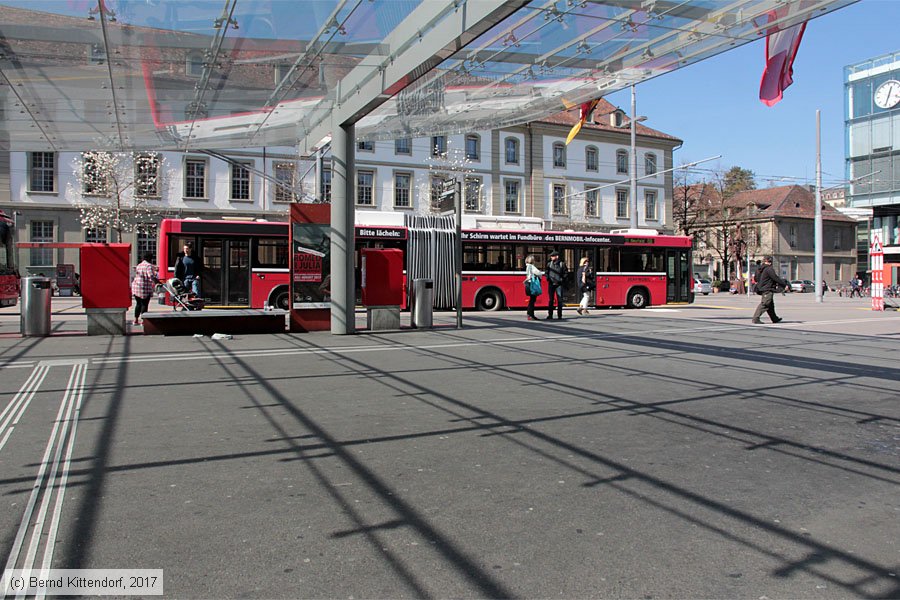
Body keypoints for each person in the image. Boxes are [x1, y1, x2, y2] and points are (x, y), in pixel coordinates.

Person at [752, 256, 789, 324]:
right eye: (771, 262)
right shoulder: (769, 269)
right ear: (769, 262)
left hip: (761, 288)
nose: (771, 263)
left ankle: (774, 318)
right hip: (767, 289)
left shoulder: (759, 269)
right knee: (765, 304)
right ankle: (756, 318)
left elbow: (756, 279)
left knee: (770, 305)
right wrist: (784, 284)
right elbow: (775, 278)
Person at [131, 252, 158, 326]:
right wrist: (157, 282)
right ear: (150, 258)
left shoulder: (139, 265)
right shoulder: (148, 266)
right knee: (144, 304)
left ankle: (136, 320)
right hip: (144, 287)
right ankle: (143, 320)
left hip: (136, 287)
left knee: (138, 304)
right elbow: (151, 276)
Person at [545, 250, 568, 320]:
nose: (551, 257)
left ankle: (559, 315)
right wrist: (548, 279)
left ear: (557, 257)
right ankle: (550, 315)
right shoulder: (549, 264)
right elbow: (546, 272)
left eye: (552, 256)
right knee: (551, 300)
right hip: (551, 284)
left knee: (560, 300)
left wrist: (561, 279)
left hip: (559, 284)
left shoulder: (562, 264)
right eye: (551, 256)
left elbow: (566, 273)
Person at [524, 255, 543, 321]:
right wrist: (540, 275)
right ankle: (530, 314)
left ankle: (531, 314)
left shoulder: (527, 266)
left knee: (532, 300)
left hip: (529, 284)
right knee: (532, 300)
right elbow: (539, 273)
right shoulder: (531, 266)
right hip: (532, 285)